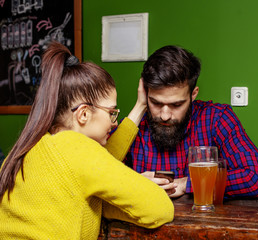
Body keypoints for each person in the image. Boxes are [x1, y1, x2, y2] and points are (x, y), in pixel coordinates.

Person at [0, 41, 174, 239]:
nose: (114, 122)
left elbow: (100, 160)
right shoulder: (76, 149)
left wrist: (141, 105)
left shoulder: (30, 148)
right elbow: (160, 209)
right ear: (83, 114)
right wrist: (126, 192)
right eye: (111, 112)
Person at [123, 45, 258, 199]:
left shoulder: (216, 118)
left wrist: (187, 184)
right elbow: (97, 173)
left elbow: (256, 179)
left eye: (176, 105)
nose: (165, 115)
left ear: (193, 94)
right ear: (146, 94)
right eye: (156, 103)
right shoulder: (133, 125)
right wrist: (140, 106)